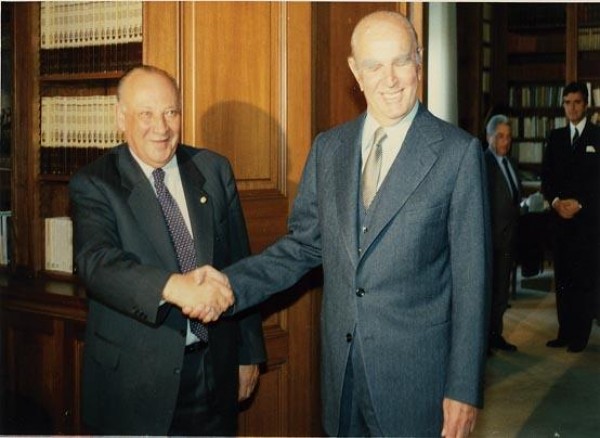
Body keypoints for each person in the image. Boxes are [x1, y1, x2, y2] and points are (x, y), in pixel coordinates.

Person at [194, 11, 491, 437]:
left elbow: (472, 282)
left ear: (419, 61)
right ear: (356, 72)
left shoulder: (457, 154)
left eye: (401, 61)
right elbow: (302, 247)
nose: (390, 79)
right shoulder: (329, 148)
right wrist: (227, 285)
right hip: (342, 374)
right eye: (374, 65)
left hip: (417, 382)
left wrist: (463, 389)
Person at [69, 65, 265, 435]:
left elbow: (240, 262)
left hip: (213, 372)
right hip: (134, 382)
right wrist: (174, 287)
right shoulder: (95, 182)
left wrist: (249, 353)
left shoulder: (213, 169)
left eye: (170, 112)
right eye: (146, 114)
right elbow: (96, 263)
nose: (161, 127)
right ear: (121, 118)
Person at [541, 81, 600, 353]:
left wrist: (581, 204)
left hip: (587, 223)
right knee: (563, 279)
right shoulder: (555, 137)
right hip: (560, 221)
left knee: (584, 279)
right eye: (567, 103)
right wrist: (555, 203)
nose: (572, 108)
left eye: (577, 102)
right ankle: (564, 332)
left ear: (585, 105)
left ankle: (580, 335)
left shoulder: (597, 137)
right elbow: (546, 178)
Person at [484, 114, 521, 353]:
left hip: (508, 241)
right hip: (490, 241)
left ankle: (496, 335)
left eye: (508, 137)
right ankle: (484, 343)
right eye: (500, 136)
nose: (505, 142)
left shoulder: (511, 163)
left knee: (501, 293)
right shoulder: (482, 163)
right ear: (489, 137)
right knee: (488, 294)